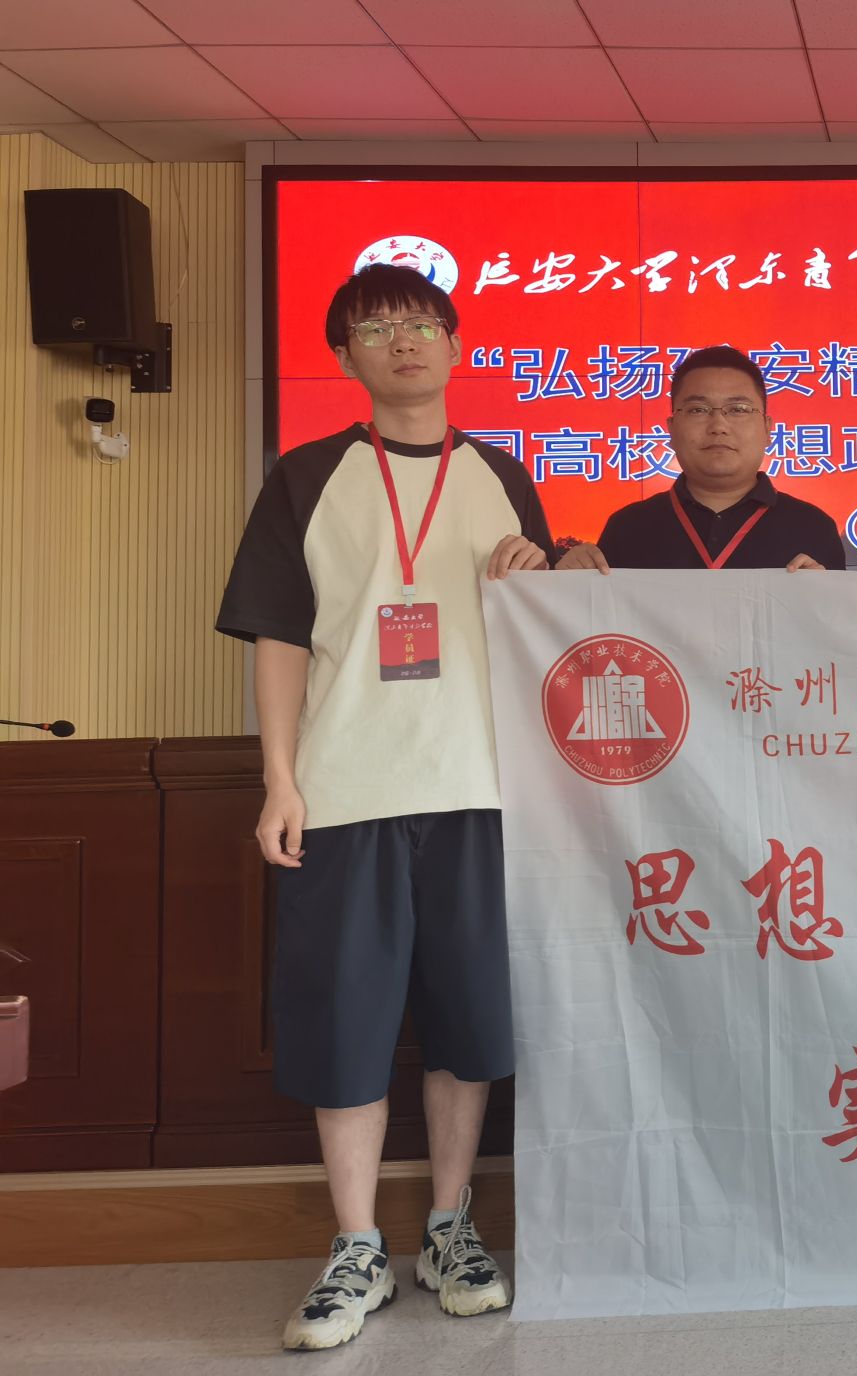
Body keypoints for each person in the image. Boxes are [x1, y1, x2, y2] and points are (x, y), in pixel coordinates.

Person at [216, 264, 554, 1350]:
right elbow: (279, 636)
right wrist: (281, 779)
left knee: (468, 1021)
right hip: (348, 790)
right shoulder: (307, 478)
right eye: (376, 330)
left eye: (420, 324)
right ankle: (356, 1245)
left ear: (456, 344)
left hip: (479, 789)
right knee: (346, 1021)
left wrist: (538, 570)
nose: (403, 342)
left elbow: (543, 626)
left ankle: (450, 1227)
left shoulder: (504, 476)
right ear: (344, 356)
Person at [554, 345, 844, 574]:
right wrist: (570, 582)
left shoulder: (813, 528)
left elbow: (833, 627)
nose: (718, 425)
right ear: (671, 429)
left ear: (768, 429)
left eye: (738, 409)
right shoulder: (628, 528)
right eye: (697, 410)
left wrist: (822, 598)